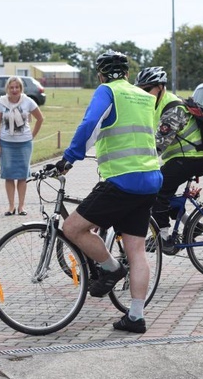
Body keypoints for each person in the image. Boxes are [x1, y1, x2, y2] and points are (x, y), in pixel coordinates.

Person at [55, 50, 163, 334]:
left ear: (101, 74)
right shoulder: (144, 96)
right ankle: (135, 317)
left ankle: (112, 268)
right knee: (137, 251)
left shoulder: (107, 91)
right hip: (150, 179)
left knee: (73, 227)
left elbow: (89, 125)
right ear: (127, 73)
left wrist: (69, 158)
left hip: (122, 180)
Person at [135, 66, 203, 251]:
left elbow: (159, 145)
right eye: (140, 89)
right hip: (182, 158)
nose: (143, 93)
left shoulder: (173, 108)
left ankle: (163, 239)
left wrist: (134, 162)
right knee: (165, 193)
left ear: (160, 87)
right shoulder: (156, 105)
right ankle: (194, 225)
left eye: (147, 89)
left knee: (157, 191)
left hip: (192, 158)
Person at [0, 76, 44, 216]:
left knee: (22, 175)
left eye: (17, 87)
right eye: (12, 87)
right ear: (7, 89)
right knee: (9, 175)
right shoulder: (1, 102)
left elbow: (40, 119)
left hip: (24, 144)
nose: (14, 90)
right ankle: (11, 207)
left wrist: (32, 136)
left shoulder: (28, 101)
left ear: (21, 89)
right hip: (6, 143)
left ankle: (21, 207)